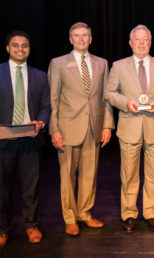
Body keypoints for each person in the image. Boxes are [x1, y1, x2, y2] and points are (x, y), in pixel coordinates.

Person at [105, 25, 154, 232]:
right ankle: (129, 214)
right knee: (129, 174)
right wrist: (126, 102)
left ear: (150, 43)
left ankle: (152, 213)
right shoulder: (118, 66)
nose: (142, 43)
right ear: (130, 43)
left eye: (145, 39)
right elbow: (109, 93)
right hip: (129, 127)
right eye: (137, 39)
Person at [48, 22, 114, 236]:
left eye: (85, 35)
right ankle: (69, 218)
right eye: (76, 35)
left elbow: (106, 97)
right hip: (67, 128)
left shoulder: (102, 63)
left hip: (93, 127)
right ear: (70, 39)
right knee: (67, 174)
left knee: (89, 174)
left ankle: (84, 213)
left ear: (91, 38)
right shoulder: (58, 63)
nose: (81, 39)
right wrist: (54, 129)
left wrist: (107, 125)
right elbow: (53, 100)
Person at [0, 31, 50, 248]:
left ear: (29, 49)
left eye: (25, 46)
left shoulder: (40, 76)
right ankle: (3, 229)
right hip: (3, 140)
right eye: (16, 45)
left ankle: (31, 225)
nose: (21, 49)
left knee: (31, 186)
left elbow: (46, 106)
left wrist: (40, 122)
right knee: (2, 187)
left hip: (30, 138)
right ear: (8, 48)